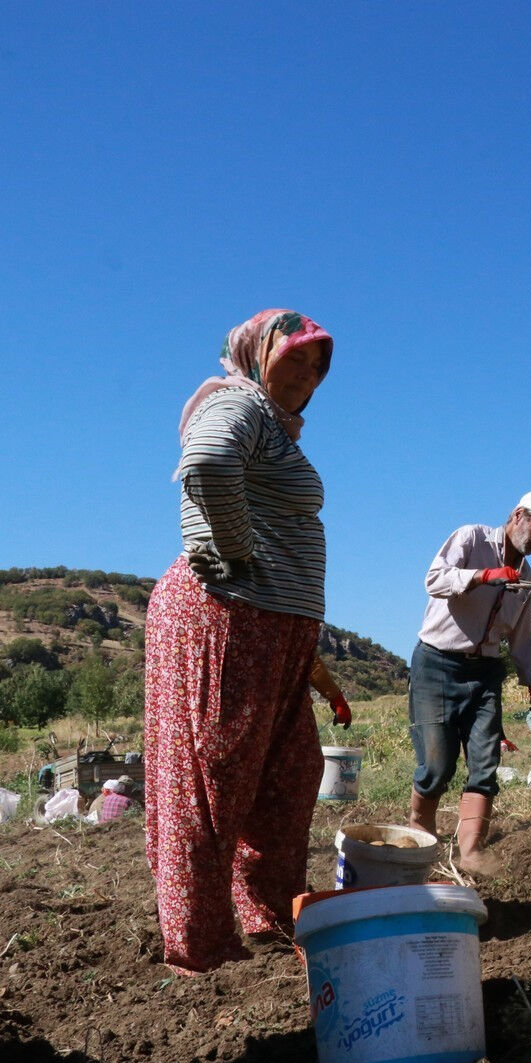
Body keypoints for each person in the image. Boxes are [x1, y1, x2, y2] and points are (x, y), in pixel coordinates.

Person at [144, 309, 349, 975]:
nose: (307, 375)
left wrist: (313, 670)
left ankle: (267, 918)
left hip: (271, 629)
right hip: (228, 615)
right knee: (212, 785)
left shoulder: (274, 427)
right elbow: (207, 462)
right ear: (257, 354)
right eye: (295, 357)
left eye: (318, 366)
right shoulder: (238, 404)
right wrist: (233, 547)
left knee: (291, 775)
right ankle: (201, 948)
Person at [408, 491, 531, 873]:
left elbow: (524, 640)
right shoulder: (471, 538)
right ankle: (419, 836)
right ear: (518, 515)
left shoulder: (527, 580)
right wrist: (483, 576)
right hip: (437, 664)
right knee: (437, 765)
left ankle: (472, 853)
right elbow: (434, 579)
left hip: (486, 673)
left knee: (484, 762)